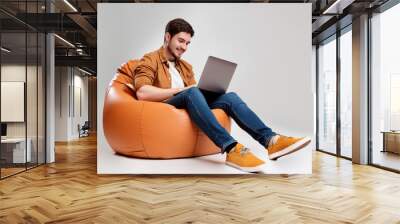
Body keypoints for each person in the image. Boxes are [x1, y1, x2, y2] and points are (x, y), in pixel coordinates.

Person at [132, 18, 310, 173]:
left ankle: (271, 141)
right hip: (165, 105)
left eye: (187, 43)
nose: (184, 47)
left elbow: (195, 95)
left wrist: (207, 91)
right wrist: (179, 91)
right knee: (191, 92)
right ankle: (231, 148)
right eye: (181, 41)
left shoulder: (185, 66)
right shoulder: (150, 60)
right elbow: (142, 92)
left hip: (189, 101)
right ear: (167, 37)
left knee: (230, 97)